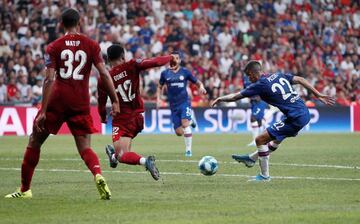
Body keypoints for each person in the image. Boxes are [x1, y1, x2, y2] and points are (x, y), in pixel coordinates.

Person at [5, 8, 120, 199]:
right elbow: (104, 74)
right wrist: (115, 100)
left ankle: (25, 189)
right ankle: (98, 174)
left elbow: (49, 79)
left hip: (58, 100)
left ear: (61, 24)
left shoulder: (53, 47)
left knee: (35, 141)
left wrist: (43, 109)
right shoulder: (91, 45)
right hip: (80, 101)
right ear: (80, 22)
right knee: (85, 147)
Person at [211, 61, 335, 181]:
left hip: (295, 117)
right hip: (303, 112)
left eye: (249, 75)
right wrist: (317, 94)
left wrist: (220, 99)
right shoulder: (277, 75)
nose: (248, 79)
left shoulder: (260, 84)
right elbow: (300, 80)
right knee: (276, 139)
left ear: (254, 73)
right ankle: (252, 159)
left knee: (260, 140)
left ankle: (264, 176)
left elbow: (235, 96)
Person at [98, 44, 174, 180]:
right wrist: (171, 57)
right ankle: (113, 157)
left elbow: (101, 103)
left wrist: (103, 118)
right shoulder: (132, 65)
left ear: (108, 60)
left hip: (121, 120)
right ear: (123, 56)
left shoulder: (104, 79)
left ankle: (145, 161)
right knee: (121, 151)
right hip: (138, 117)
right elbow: (155, 62)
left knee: (122, 154)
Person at [156, 52, 207, 157]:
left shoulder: (185, 72)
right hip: (173, 105)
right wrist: (158, 99)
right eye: (172, 57)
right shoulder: (165, 73)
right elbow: (159, 86)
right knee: (179, 132)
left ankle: (188, 150)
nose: (175, 59)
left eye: (177, 58)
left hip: (184, 102)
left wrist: (201, 87)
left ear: (179, 60)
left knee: (185, 124)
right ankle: (191, 120)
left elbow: (197, 82)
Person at [242, 74, 268, 146]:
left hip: (259, 101)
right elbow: (246, 90)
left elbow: (262, 86)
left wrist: (260, 95)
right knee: (259, 121)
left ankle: (255, 141)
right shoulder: (244, 78)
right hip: (253, 102)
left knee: (253, 118)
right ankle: (263, 139)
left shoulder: (257, 76)